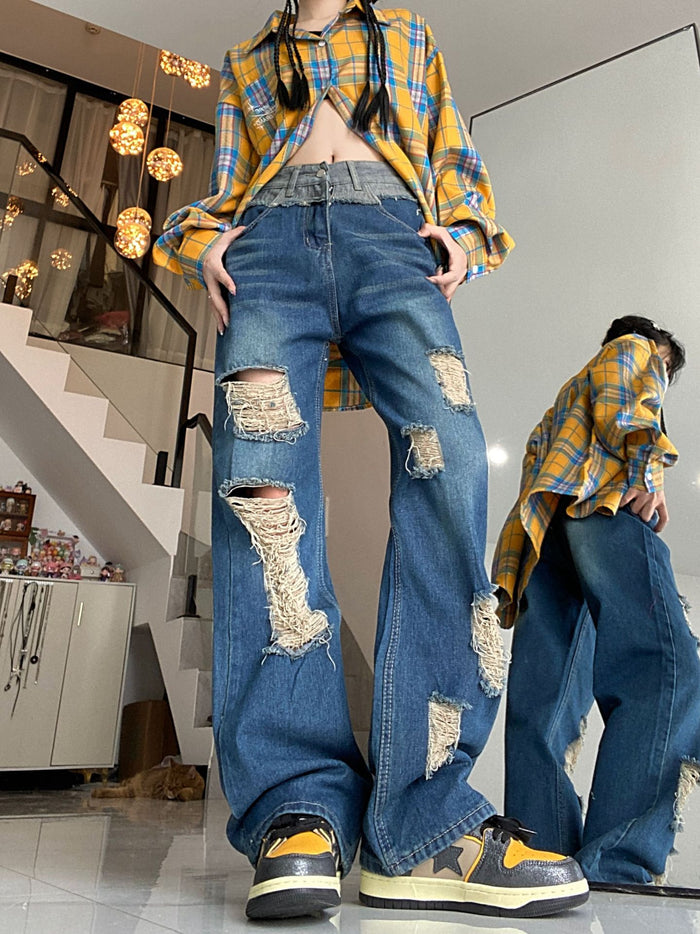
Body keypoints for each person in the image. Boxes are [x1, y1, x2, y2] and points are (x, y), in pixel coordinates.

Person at [154, 0, 588, 920]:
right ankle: (298, 808)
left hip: (393, 239)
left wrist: (463, 231)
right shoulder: (247, 58)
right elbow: (226, 184)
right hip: (268, 248)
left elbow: (453, 156)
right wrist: (204, 239)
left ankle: (425, 823)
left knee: (453, 463)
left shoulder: (406, 34)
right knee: (261, 494)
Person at [493, 315, 700, 884]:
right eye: (664, 367)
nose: (660, 377)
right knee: (665, 669)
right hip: (603, 507)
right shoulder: (634, 349)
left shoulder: (564, 401)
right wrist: (646, 474)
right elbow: (627, 401)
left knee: (544, 706)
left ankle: (541, 862)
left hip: (547, 536)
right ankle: (619, 865)